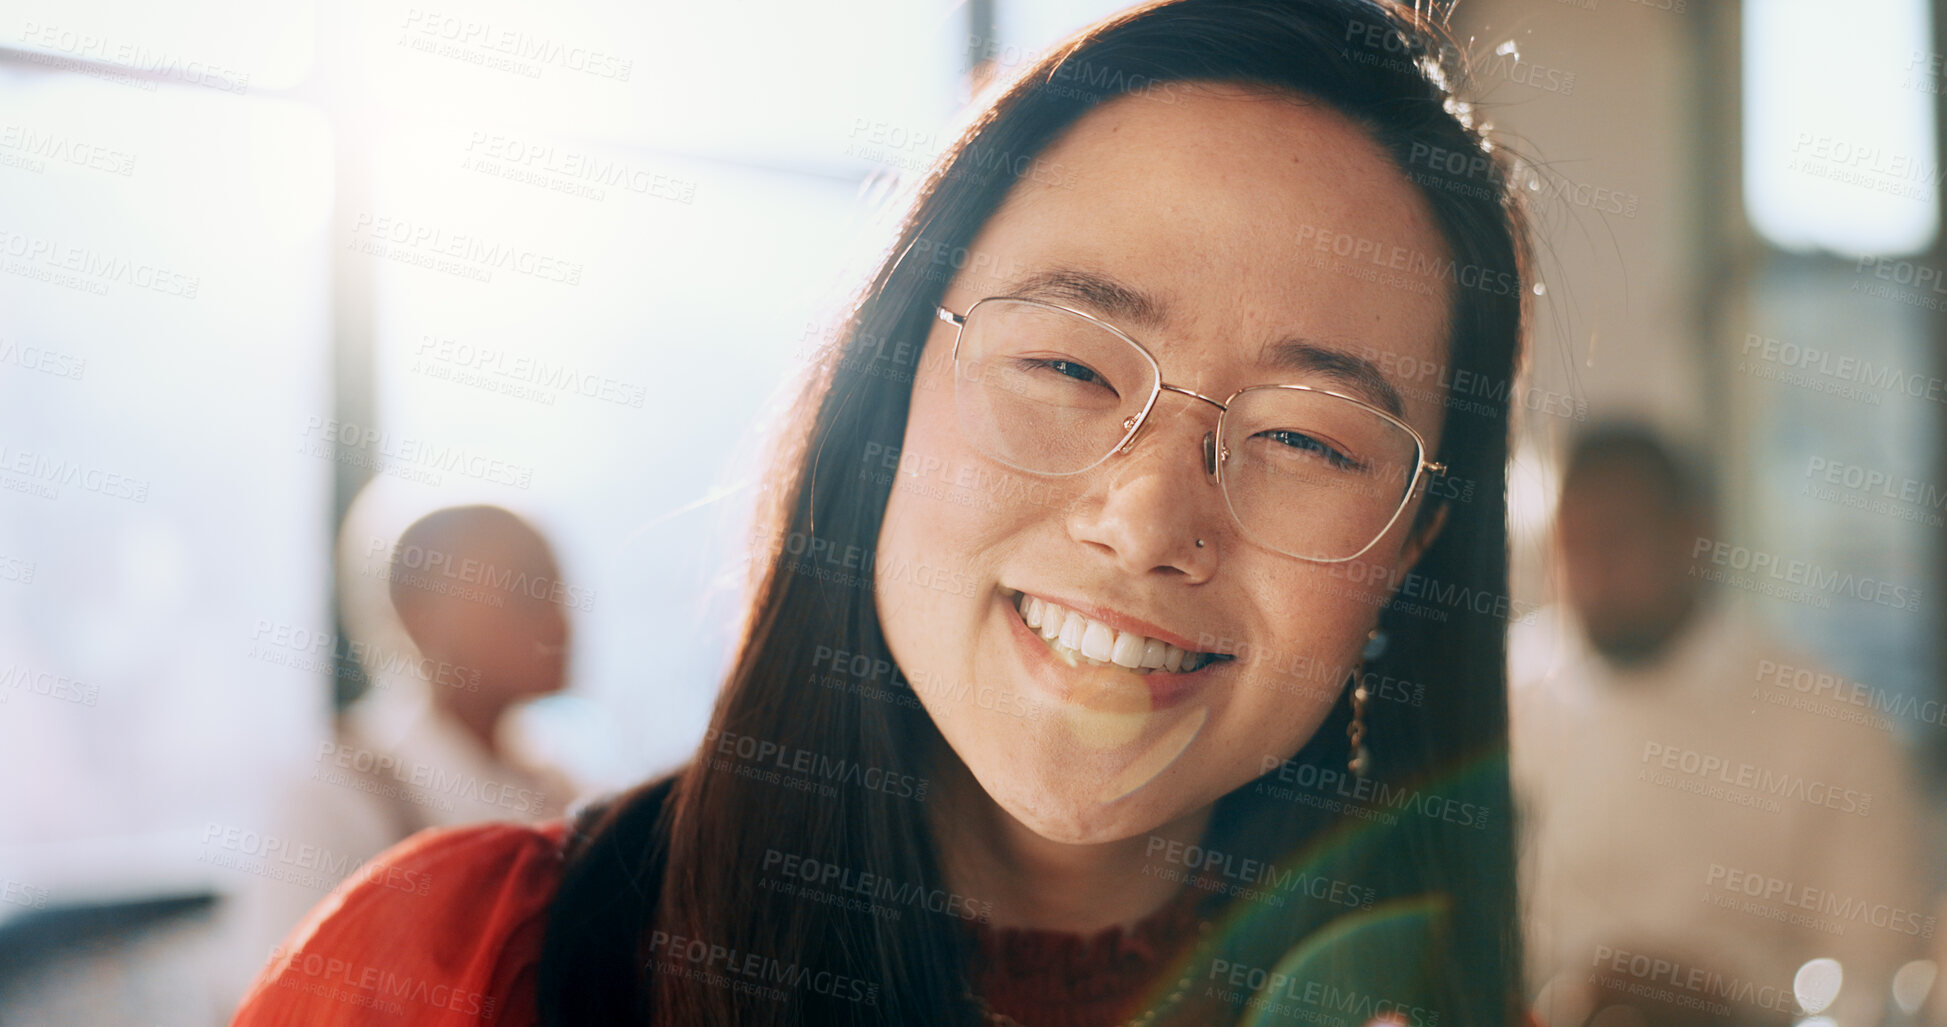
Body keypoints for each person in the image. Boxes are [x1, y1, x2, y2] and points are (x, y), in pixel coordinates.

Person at [233, 1, 1533, 1023]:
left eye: (1305, 436)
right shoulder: (455, 967)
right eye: (1068, 366)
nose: (1146, 518)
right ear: (884, 394)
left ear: (1411, 550)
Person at [1512, 426, 1931, 1027]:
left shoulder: (1826, 723)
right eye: (1575, 543)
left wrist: (1734, 1005)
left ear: (1691, 536)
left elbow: (1876, 982)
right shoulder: (1509, 697)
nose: (1594, 572)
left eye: (1620, 539)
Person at [215, 505, 575, 1008]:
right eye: (527, 590)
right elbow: (269, 1004)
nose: (561, 621)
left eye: (558, 591)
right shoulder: (337, 789)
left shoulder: (564, 791)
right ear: (419, 612)